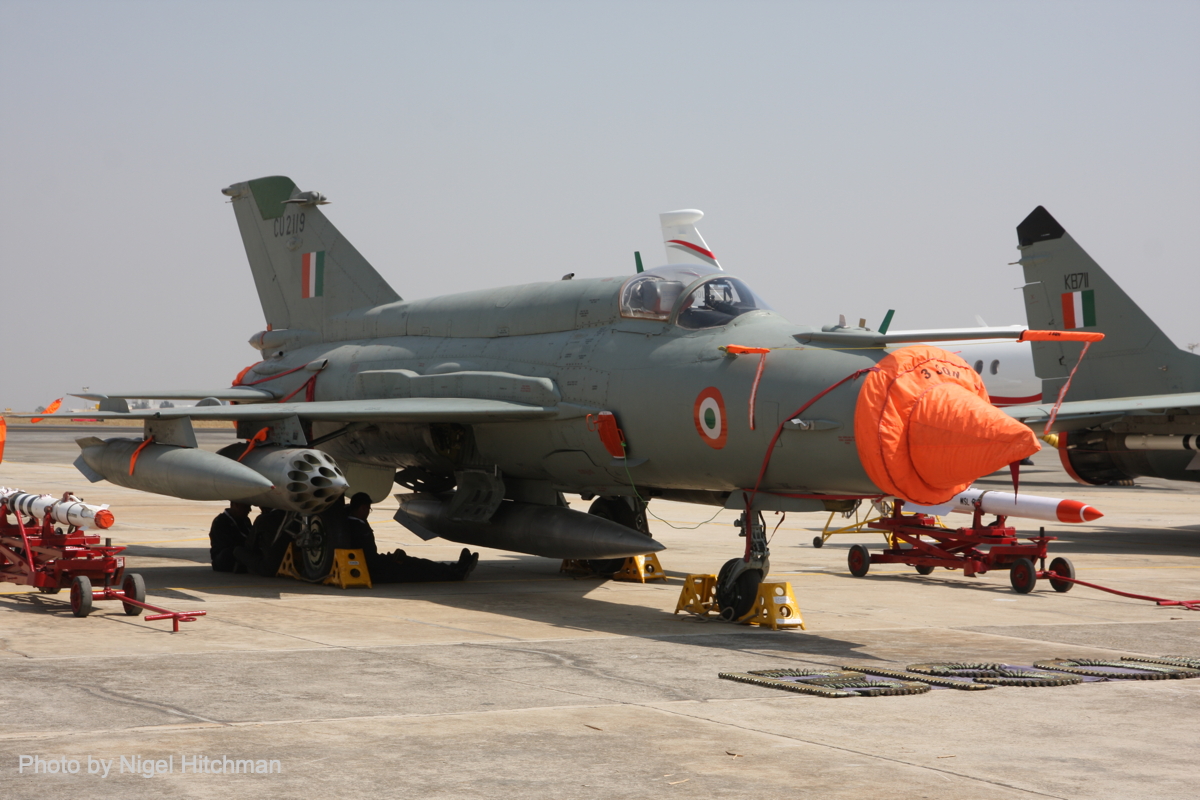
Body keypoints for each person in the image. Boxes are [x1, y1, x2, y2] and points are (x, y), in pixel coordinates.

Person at [343, 492, 478, 582]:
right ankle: (455, 573)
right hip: (376, 570)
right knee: (417, 568)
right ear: (362, 508)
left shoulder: (350, 521)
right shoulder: (358, 527)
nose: (368, 512)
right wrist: (390, 560)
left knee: (416, 563)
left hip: (375, 565)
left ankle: (454, 568)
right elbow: (369, 559)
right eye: (368, 509)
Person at [209, 501, 252, 573]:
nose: (249, 510)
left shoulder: (245, 520)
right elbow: (226, 543)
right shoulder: (221, 521)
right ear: (236, 505)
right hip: (224, 557)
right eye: (246, 507)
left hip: (240, 553)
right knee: (233, 552)